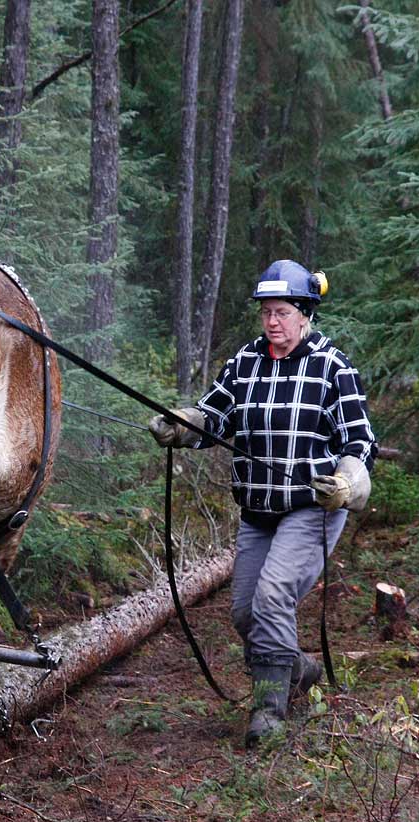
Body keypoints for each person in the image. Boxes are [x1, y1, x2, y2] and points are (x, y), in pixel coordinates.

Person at [149, 259, 376, 746]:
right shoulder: (246, 363)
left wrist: (347, 481)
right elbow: (216, 417)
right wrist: (183, 423)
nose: (272, 321)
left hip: (310, 510)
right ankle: (299, 668)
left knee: (274, 597)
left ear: (304, 312)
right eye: (266, 312)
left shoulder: (333, 367)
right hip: (257, 512)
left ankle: (269, 713)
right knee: (246, 614)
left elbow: (361, 442)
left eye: (281, 312)